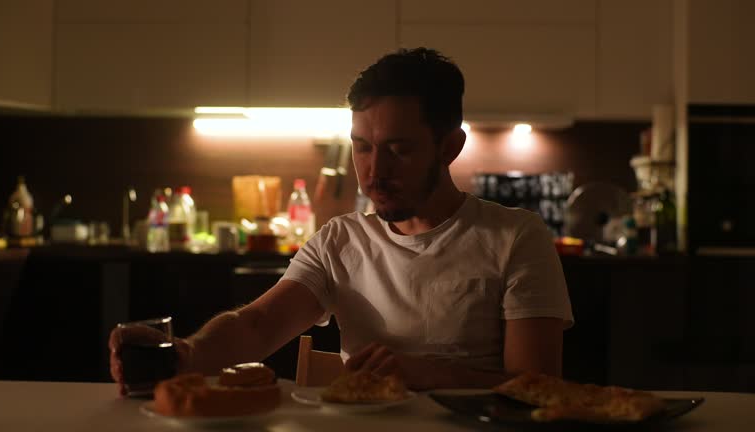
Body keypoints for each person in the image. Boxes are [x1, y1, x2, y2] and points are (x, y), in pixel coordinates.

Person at [110, 47, 573, 393]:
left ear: (450, 147)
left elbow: (537, 387)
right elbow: (258, 324)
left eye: (399, 149)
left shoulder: (515, 238)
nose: (374, 170)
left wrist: (427, 374)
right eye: (363, 147)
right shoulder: (340, 241)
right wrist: (185, 354)